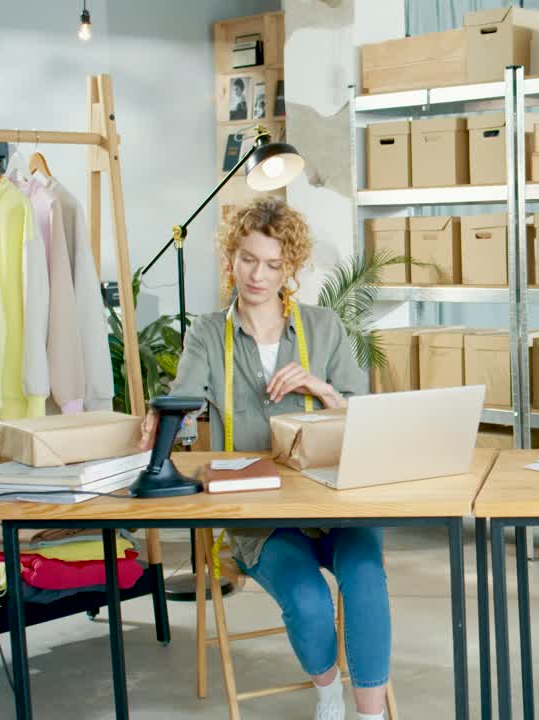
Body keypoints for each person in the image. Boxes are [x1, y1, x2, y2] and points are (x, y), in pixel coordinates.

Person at [138, 197, 389, 720]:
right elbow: (182, 405)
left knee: (365, 577)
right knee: (308, 601)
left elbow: (365, 417)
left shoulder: (323, 328)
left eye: (274, 264)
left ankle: (369, 717)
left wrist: (321, 388)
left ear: (290, 268)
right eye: (249, 258)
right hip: (261, 514)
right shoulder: (208, 334)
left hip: (334, 498)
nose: (259, 274)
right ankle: (328, 694)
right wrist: (161, 420)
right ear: (231, 257)